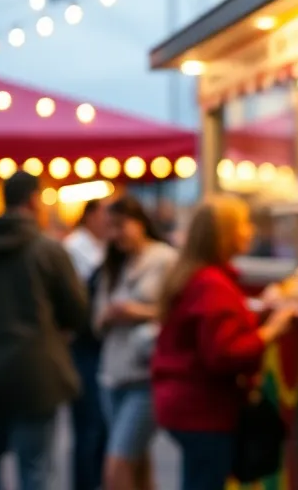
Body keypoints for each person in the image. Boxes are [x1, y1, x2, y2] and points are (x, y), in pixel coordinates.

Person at [0, 170, 89, 490]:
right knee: (35, 467)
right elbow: (77, 310)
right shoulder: (48, 251)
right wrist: (53, 335)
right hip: (37, 375)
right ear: (34, 199)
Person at [152, 196, 296, 490]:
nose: (250, 231)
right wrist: (272, 330)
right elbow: (223, 355)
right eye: (243, 224)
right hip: (204, 411)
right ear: (225, 234)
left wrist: (256, 311)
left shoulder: (198, 277)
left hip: (182, 404)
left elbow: (210, 329)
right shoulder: (212, 284)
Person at [93, 197, 176, 490]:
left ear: (139, 222)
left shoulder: (165, 259)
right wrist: (109, 315)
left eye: (120, 226)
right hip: (112, 374)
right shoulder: (113, 263)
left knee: (117, 463)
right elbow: (96, 320)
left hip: (146, 375)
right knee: (136, 458)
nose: (115, 235)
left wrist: (136, 311)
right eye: (110, 228)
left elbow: (178, 312)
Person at [64, 199, 109, 490]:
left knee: (100, 426)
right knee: (89, 426)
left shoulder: (97, 245)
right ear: (91, 215)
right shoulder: (76, 247)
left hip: (100, 347)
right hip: (84, 346)